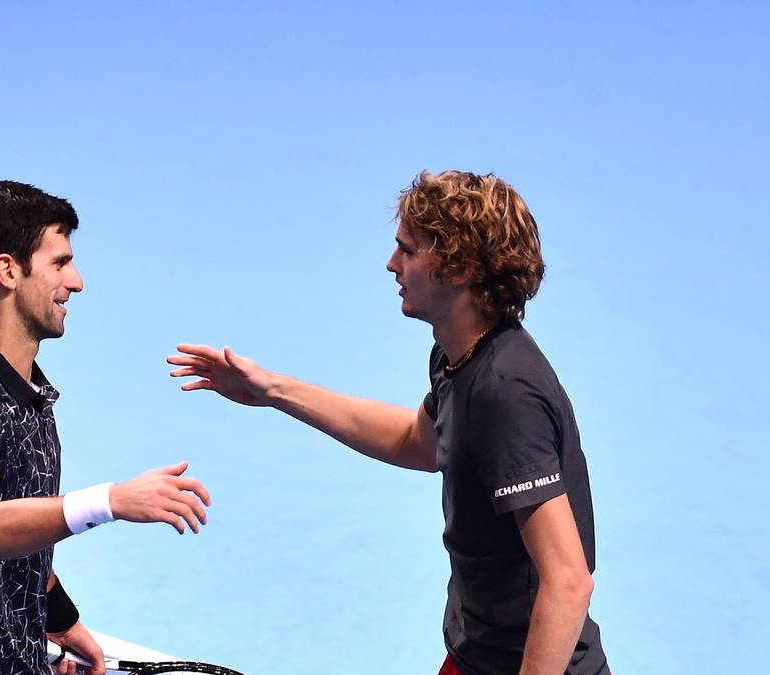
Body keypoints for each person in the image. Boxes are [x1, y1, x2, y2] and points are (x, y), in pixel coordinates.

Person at [168, 171, 609, 675]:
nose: (391, 263)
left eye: (408, 250)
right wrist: (273, 390)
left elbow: (569, 579)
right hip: (475, 656)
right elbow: (416, 441)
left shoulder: (505, 393)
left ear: (460, 267)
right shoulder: (459, 357)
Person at [0, 180, 212, 675]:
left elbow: (13, 541)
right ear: (8, 271)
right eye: (60, 263)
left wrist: (59, 618)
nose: (78, 281)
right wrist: (110, 501)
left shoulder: (30, 398)